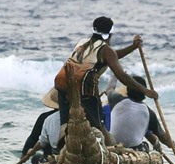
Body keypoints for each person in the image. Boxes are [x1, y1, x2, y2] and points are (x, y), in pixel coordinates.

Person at [54, 16, 158, 146]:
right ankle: (110, 154)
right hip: (85, 93)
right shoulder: (106, 50)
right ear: (110, 34)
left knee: (65, 126)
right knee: (100, 128)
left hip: (63, 88)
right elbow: (121, 76)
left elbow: (112, 56)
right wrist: (145, 90)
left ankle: (60, 153)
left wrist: (133, 47)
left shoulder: (83, 43)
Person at [106, 75, 172, 151]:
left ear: (127, 89)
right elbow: (163, 137)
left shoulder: (116, 99)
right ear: (144, 92)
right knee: (145, 146)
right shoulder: (149, 112)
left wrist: (115, 76)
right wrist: (172, 144)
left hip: (113, 145)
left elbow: (109, 89)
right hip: (134, 149)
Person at [22, 87, 59, 158]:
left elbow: (33, 138)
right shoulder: (81, 117)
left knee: (36, 158)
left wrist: (24, 155)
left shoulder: (46, 118)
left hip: (51, 157)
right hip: (72, 157)